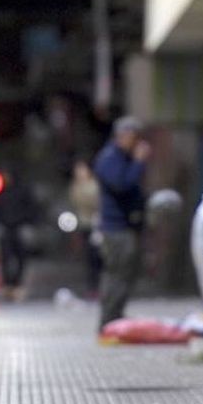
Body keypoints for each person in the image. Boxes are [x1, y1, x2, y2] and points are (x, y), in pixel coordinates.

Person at [94, 116, 150, 329]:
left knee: (125, 275)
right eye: (133, 138)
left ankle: (116, 317)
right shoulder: (110, 159)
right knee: (116, 275)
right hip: (115, 229)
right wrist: (138, 162)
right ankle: (109, 320)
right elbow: (122, 185)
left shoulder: (123, 158)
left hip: (126, 226)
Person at [0, 169, 38, 301]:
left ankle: (17, 285)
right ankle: (7, 285)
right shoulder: (2, 191)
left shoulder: (23, 191)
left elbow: (31, 208)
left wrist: (28, 224)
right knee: (5, 257)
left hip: (19, 227)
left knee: (21, 258)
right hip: (6, 228)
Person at [69, 159, 102, 295]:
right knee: (88, 257)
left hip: (95, 223)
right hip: (83, 224)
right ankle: (92, 286)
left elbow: (96, 202)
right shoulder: (75, 187)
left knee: (97, 256)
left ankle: (98, 285)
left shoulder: (94, 185)